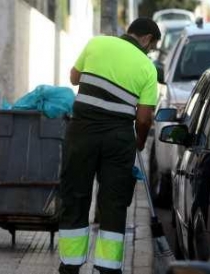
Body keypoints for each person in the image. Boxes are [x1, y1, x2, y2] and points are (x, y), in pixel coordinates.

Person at [58, 18, 160, 274]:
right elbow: (144, 118)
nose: (151, 51)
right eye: (153, 46)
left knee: (75, 195)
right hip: (118, 137)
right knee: (113, 202)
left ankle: (70, 265)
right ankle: (108, 267)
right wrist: (137, 142)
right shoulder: (147, 68)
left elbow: (73, 77)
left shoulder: (97, 43)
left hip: (82, 131)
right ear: (147, 39)